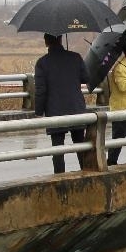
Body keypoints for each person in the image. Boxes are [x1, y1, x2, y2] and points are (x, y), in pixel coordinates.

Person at [34, 32, 92, 174]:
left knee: (58, 149)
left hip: (55, 110)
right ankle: (86, 174)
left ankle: (60, 179)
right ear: (60, 39)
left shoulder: (42, 63)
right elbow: (86, 78)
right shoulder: (75, 57)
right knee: (80, 145)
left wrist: (38, 111)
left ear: (46, 42)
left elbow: (41, 90)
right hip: (76, 108)